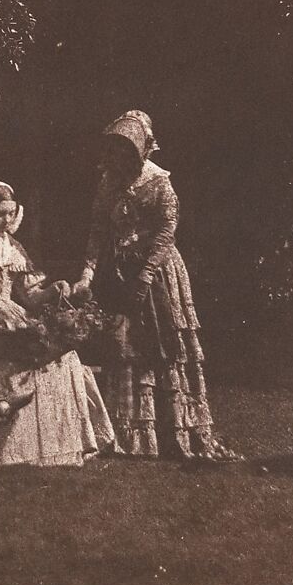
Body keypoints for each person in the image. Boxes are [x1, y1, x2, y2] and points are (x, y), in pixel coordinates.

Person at [73, 110, 239, 461]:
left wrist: (146, 273)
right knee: (125, 346)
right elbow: (97, 231)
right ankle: (131, 436)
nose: (119, 156)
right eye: (114, 148)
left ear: (141, 151)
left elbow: (166, 232)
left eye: (126, 149)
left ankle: (172, 429)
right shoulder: (107, 183)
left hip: (158, 272)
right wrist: (87, 273)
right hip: (119, 272)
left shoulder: (159, 182)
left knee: (162, 343)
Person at [0, 181, 114, 468]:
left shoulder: (13, 247)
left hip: (12, 316)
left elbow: (29, 296)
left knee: (62, 359)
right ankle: (9, 451)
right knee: (17, 359)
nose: (6, 221)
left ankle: (59, 448)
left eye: (10, 213)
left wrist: (53, 291)